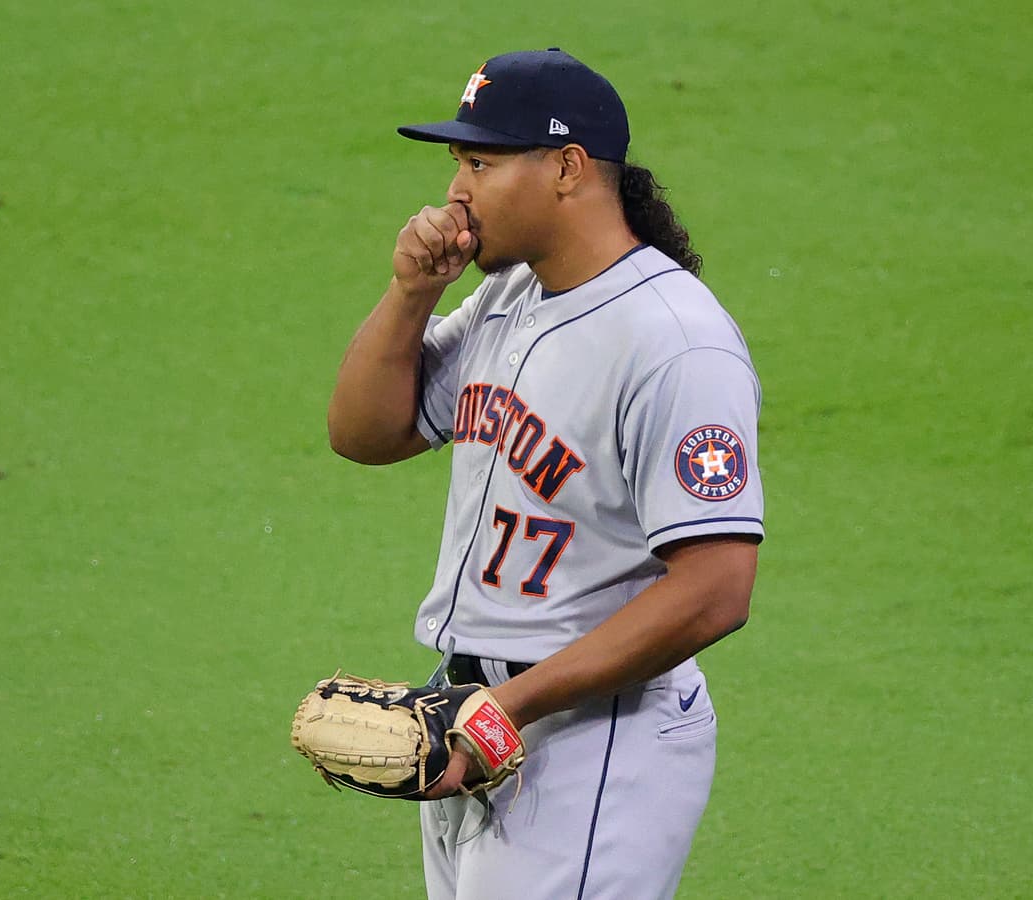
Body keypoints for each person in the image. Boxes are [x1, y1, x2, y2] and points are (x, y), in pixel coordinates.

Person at [327, 48, 764, 900]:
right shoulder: (509, 295)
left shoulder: (676, 342)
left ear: (567, 168)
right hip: (473, 721)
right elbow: (364, 432)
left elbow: (717, 588)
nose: (456, 187)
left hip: (594, 742)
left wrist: (509, 711)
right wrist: (411, 292)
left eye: (480, 162)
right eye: (457, 160)